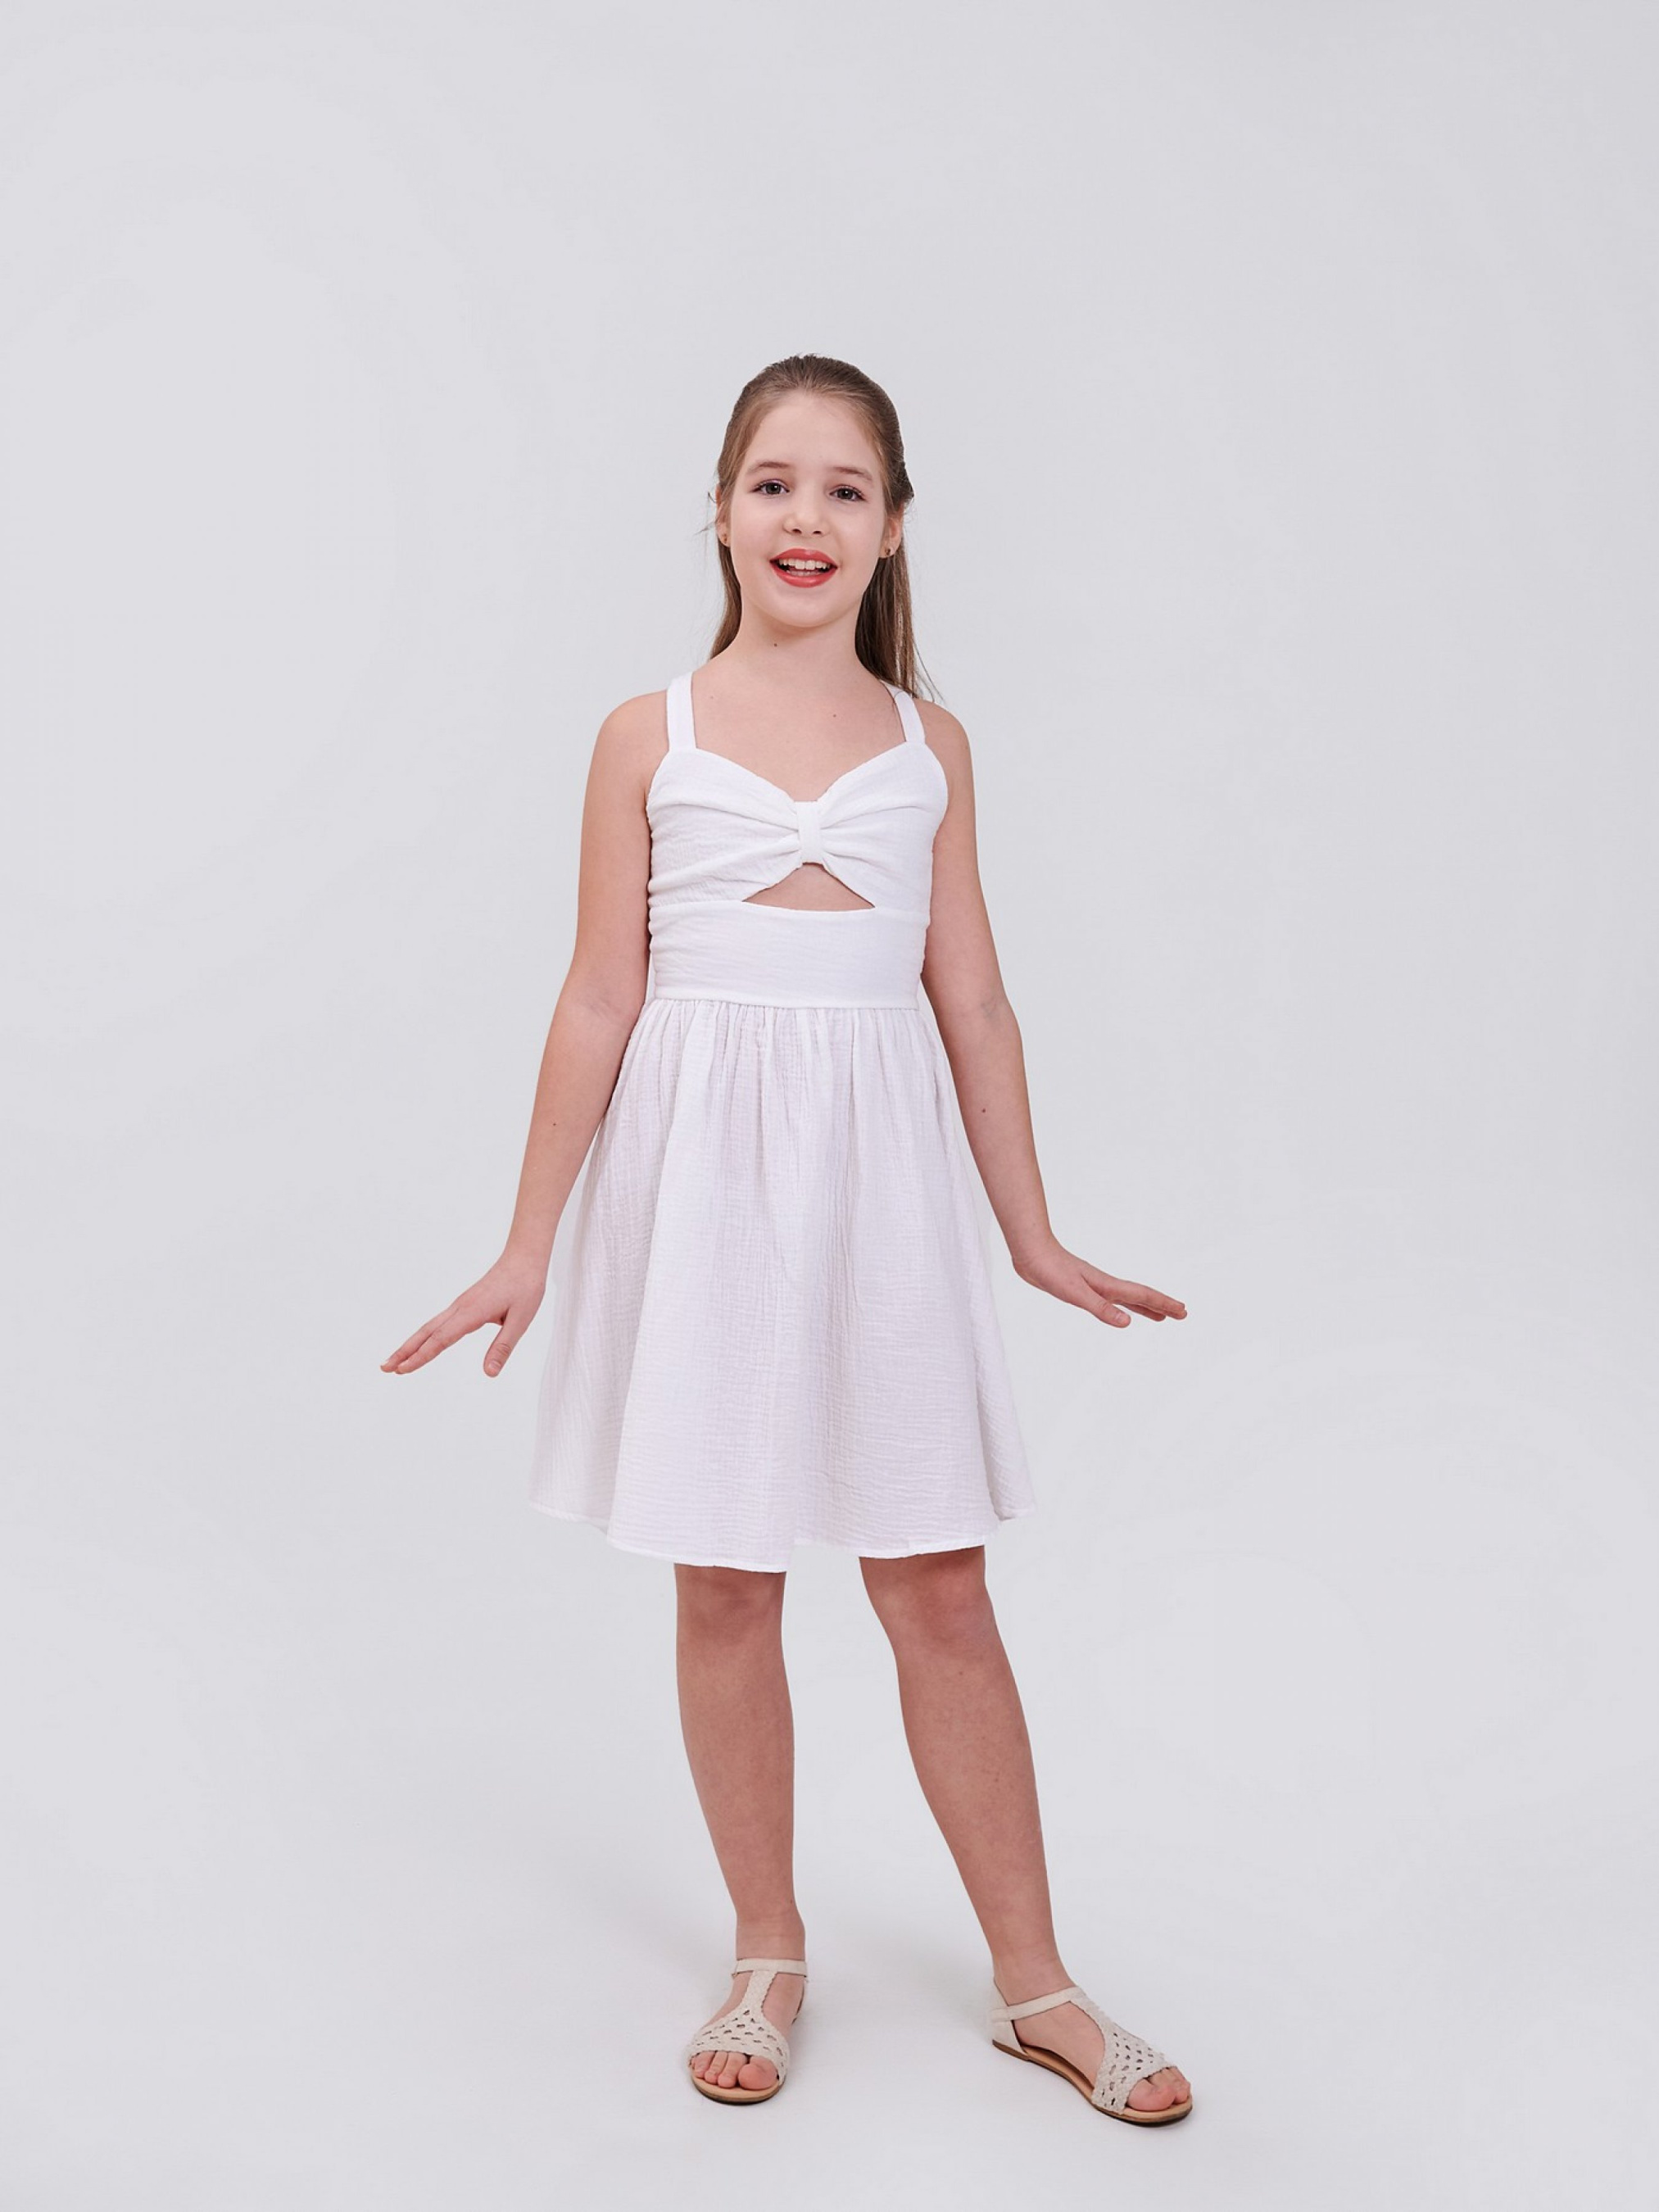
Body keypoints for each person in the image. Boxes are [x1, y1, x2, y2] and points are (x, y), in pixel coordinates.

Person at [382, 354, 1194, 2124]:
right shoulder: (648, 734)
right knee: (727, 1578)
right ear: (720, 512)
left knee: (937, 1583)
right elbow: (598, 998)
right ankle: (765, 1946)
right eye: (771, 483)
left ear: (892, 527)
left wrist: (1030, 1233)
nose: (803, 517)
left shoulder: (927, 746)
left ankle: (1037, 1982)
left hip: (881, 1180)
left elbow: (971, 1001)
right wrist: (527, 1243)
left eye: (842, 489)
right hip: (700, 1184)